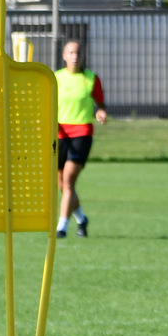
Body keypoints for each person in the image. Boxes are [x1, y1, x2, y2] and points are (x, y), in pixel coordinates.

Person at [55, 39, 107, 238]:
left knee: (68, 180)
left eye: (78, 53)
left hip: (81, 133)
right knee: (62, 184)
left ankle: (62, 227)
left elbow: (100, 104)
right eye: (71, 52)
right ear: (64, 56)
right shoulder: (56, 78)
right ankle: (82, 219)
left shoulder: (91, 79)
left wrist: (100, 112)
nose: (75, 56)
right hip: (59, 134)